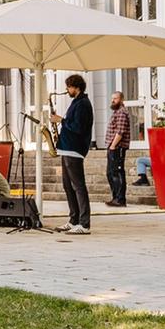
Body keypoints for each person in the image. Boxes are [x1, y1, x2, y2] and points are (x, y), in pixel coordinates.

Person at [50, 75, 93, 234]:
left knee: (78, 186)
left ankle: (84, 224)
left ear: (76, 87)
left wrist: (61, 120)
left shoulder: (82, 104)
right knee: (68, 186)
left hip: (74, 150)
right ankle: (73, 219)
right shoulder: (77, 102)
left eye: (69, 87)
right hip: (67, 149)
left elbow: (78, 127)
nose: (67, 90)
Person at [103, 92, 133, 208]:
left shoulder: (121, 113)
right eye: (112, 98)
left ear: (121, 100)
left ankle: (120, 199)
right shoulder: (116, 112)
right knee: (110, 173)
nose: (113, 100)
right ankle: (115, 198)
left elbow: (120, 131)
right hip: (113, 146)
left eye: (115, 98)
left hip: (117, 147)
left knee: (117, 173)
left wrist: (113, 145)